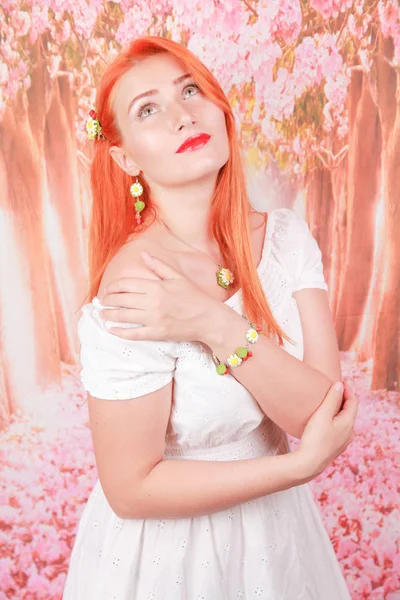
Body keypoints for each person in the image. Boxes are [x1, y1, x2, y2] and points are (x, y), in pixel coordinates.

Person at [63, 36, 358, 600]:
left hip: (278, 541)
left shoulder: (286, 238)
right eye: (148, 109)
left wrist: (212, 323)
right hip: (171, 558)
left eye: (191, 90)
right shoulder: (133, 289)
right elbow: (131, 487)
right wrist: (293, 471)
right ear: (126, 157)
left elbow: (320, 410)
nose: (183, 116)